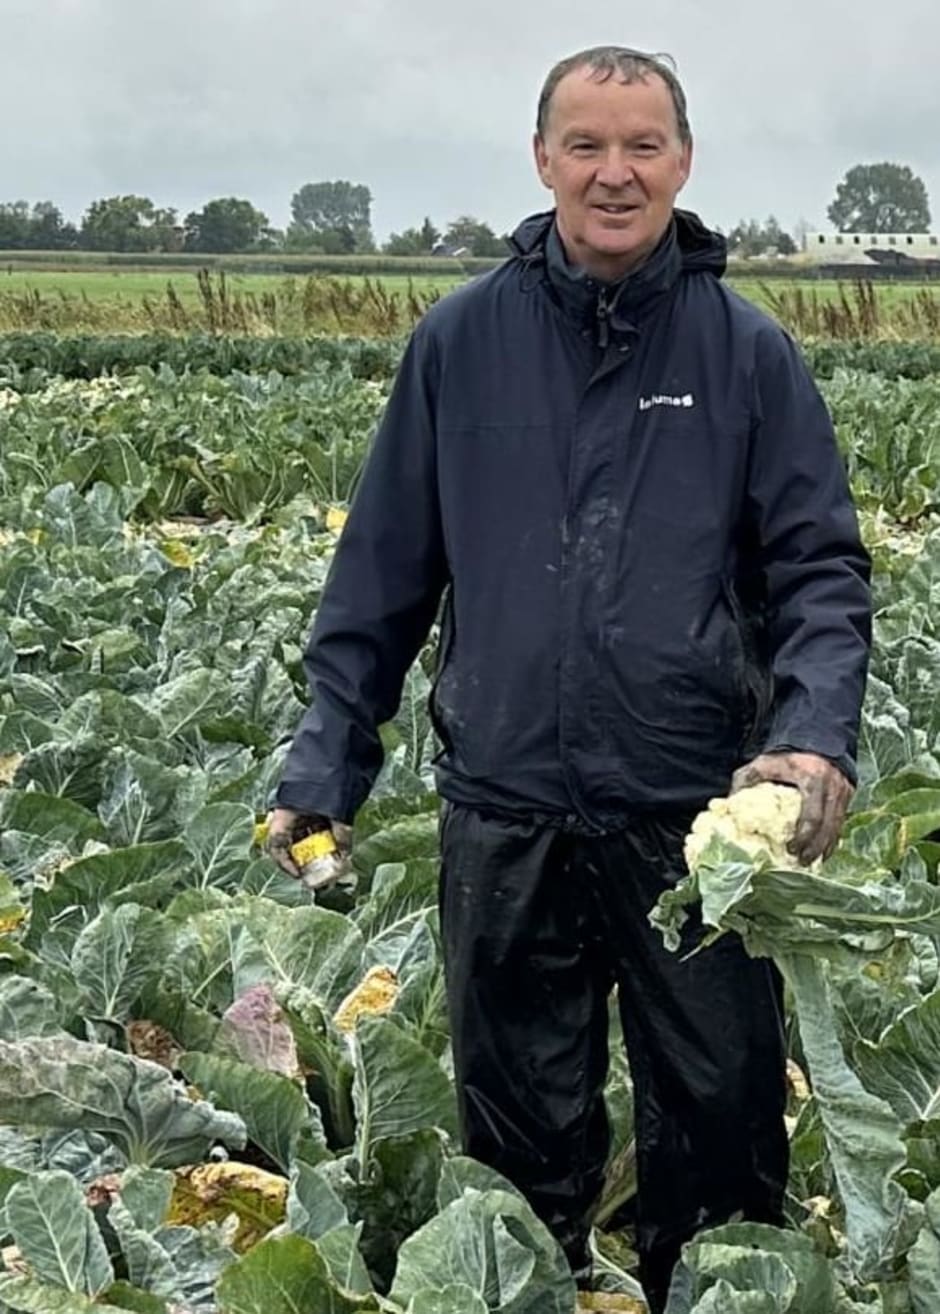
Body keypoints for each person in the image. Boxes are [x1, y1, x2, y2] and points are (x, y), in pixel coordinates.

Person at [267, 45, 872, 1312]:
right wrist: (326, 757)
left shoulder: (747, 354)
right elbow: (381, 576)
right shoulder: (461, 342)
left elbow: (819, 572)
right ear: (541, 160)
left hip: (693, 824)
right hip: (507, 805)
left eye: (642, 145)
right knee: (516, 1157)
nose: (614, 173)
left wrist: (814, 735)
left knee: (720, 1140)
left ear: (682, 161)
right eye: (585, 146)